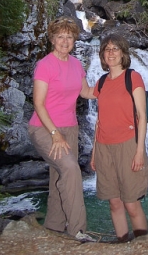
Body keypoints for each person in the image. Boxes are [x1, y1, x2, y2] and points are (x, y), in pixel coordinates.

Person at [28, 16, 94, 243]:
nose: (65, 41)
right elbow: (38, 103)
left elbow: (87, 92)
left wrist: (115, 84)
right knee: (70, 168)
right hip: (45, 128)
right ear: (52, 39)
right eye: (60, 37)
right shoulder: (45, 65)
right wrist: (55, 134)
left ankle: (54, 228)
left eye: (69, 37)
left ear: (75, 40)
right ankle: (78, 230)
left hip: (70, 128)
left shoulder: (76, 64)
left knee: (60, 175)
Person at [83, 33, 148, 243]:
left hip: (128, 146)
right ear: (102, 55)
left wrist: (139, 151)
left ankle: (142, 245)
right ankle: (122, 243)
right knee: (114, 203)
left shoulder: (133, 77)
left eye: (115, 49)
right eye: (107, 49)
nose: (111, 53)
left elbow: (141, 116)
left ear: (123, 53)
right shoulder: (101, 82)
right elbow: (98, 118)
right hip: (104, 147)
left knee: (131, 203)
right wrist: (95, 152)